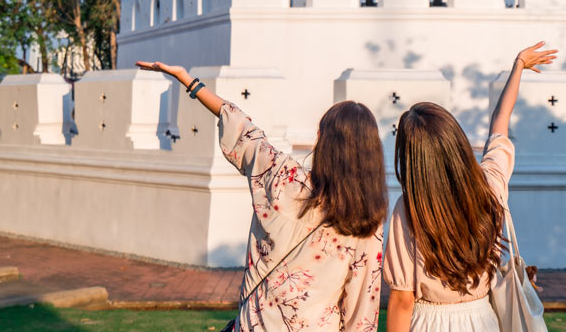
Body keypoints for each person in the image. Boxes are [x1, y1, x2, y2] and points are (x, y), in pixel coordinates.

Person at [136, 61, 387, 332]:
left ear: (321, 138)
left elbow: (241, 128)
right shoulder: (366, 221)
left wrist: (188, 80)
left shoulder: (283, 178)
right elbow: (362, 312)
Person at [383, 42, 558, 332]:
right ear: (457, 143)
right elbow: (500, 123)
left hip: (428, 322)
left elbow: (403, 300)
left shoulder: (411, 207)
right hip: (482, 319)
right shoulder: (489, 185)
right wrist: (518, 66)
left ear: (411, 158)